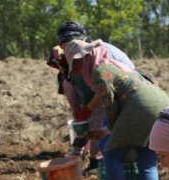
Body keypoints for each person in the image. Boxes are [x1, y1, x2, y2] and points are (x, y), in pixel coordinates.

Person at [64, 39, 169, 180]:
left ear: (81, 61)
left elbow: (111, 107)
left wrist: (109, 132)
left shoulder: (99, 72)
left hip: (140, 106)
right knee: (147, 160)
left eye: (77, 69)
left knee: (113, 153)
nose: (79, 73)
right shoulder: (115, 66)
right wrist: (105, 130)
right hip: (161, 102)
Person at [55, 22, 137, 171]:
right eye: (64, 48)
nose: (67, 52)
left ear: (80, 42)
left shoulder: (99, 55)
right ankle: (99, 158)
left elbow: (104, 87)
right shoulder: (83, 59)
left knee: (100, 123)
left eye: (69, 46)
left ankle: (98, 162)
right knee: (99, 122)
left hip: (127, 91)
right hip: (118, 90)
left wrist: (89, 108)